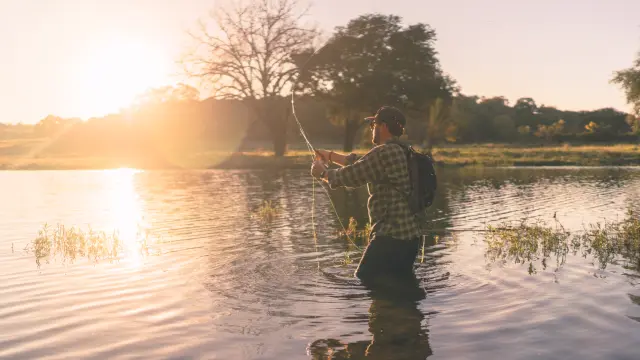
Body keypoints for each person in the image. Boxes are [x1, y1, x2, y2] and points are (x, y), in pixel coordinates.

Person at [310, 105, 422, 282]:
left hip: (390, 238)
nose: (371, 129)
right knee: (399, 286)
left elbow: (351, 176)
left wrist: (322, 173)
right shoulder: (402, 150)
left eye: (373, 125)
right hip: (410, 238)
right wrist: (329, 156)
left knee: (365, 279)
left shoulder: (384, 152)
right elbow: (361, 164)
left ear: (383, 126)